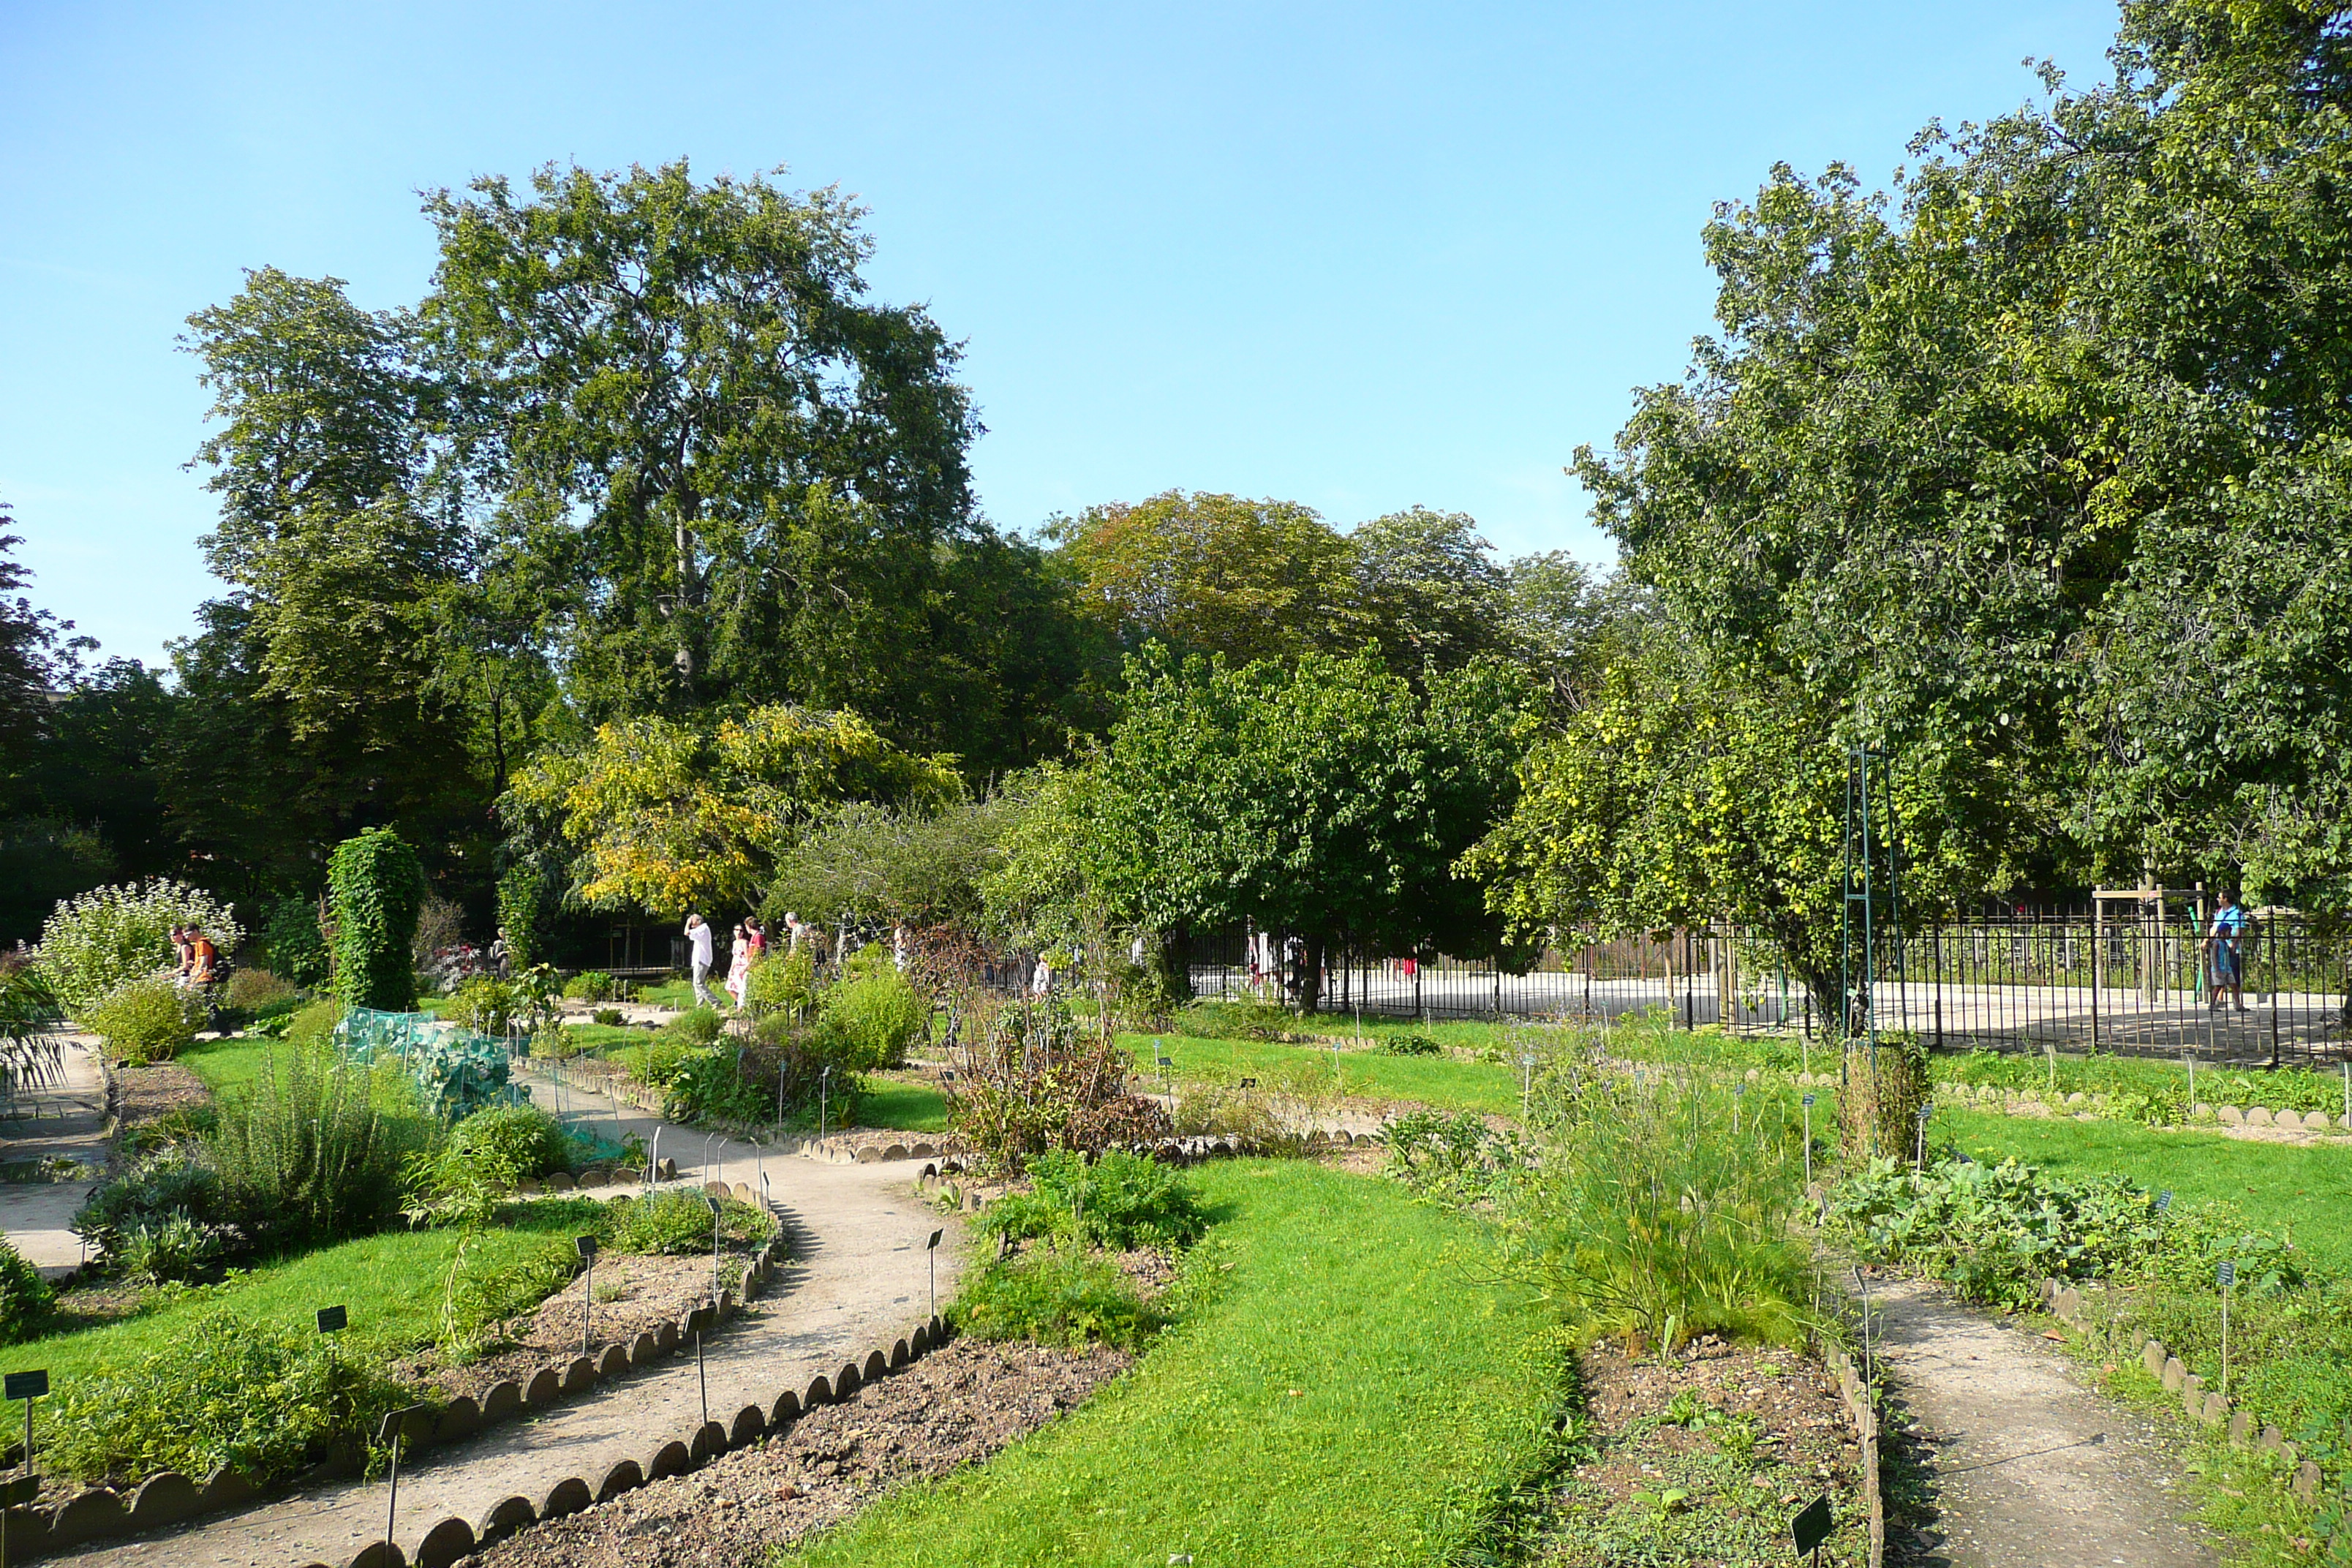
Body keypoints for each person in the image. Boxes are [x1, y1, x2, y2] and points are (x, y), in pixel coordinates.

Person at [2208, 890, 2251, 1013]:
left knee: (2234, 980)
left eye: (2220, 897)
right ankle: (2215, 1003)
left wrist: (2234, 945)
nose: (2218, 899)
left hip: (2231, 951)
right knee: (2219, 985)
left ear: (2226, 899)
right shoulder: (2219, 913)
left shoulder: (2237, 914)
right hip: (2221, 965)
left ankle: (2237, 1003)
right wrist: (2207, 940)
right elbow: (2214, 928)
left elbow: (2239, 931)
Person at [685, 913, 717, 1006]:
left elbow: (686, 932)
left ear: (698, 921)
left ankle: (714, 1001)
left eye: (693, 920)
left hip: (702, 960)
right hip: (699, 960)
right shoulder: (700, 930)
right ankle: (700, 1005)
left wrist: (687, 923)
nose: (691, 922)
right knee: (696, 984)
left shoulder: (703, 929)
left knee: (698, 983)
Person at [725, 922, 752, 1009]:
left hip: (742, 967)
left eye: (741, 930)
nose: (739, 932)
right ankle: (740, 1004)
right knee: (729, 988)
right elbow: (735, 957)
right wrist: (731, 970)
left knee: (741, 989)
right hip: (736, 967)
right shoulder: (734, 943)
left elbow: (748, 956)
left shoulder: (744, 942)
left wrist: (746, 967)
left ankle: (741, 1007)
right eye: (737, 930)